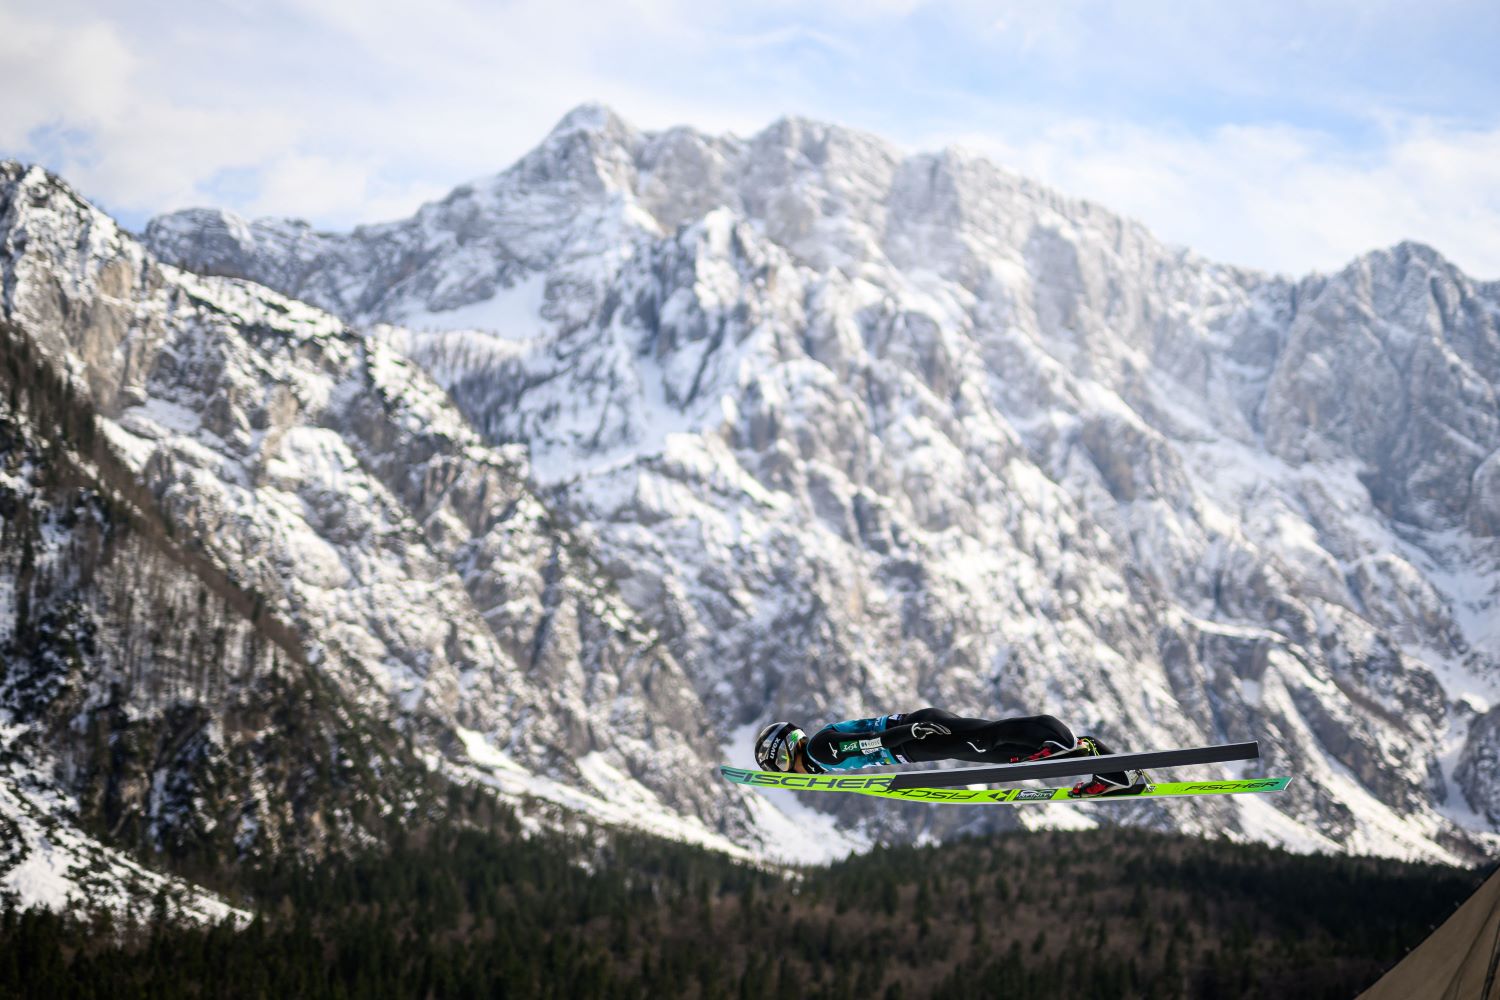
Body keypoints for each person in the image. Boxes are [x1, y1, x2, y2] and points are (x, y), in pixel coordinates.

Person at [753, 708, 1147, 797]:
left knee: (986, 739)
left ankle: (1054, 734)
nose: (789, 772)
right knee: (1005, 757)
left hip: (914, 736)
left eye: (782, 764)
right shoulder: (820, 754)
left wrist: (912, 731)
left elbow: (871, 743)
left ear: (789, 748)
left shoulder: (820, 750)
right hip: (913, 742)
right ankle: (1114, 772)